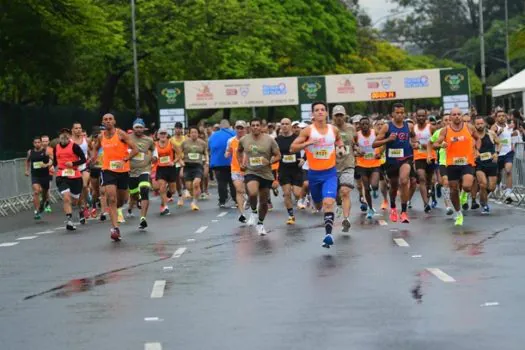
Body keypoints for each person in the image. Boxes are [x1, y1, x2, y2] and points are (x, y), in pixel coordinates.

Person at [291, 101, 345, 248]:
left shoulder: (333, 130)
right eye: (317, 110)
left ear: (327, 113)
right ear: (313, 114)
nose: (320, 112)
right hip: (314, 174)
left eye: (322, 110)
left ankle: (328, 235)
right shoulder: (308, 131)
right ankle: (319, 207)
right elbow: (292, 147)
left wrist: (340, 148)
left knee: (329, 203)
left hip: (330, 173)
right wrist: (306, 144)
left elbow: (339, 140)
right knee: (319, 204)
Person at [92, 113, 138, 241]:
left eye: (110, 119)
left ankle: (118, 209)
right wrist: (94, 157)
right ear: (102, 122)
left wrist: (126, 158)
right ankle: (115, 228)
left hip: (123, 170)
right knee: (111, 198)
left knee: (122, 199)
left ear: (114, 121)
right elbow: (95, 147)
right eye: (105, 119)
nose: (108, 121)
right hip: (108, 170)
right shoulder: (101, 136)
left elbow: (135, 149)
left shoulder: (121, 134)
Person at [433, 107, 479, 226]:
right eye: (454, 114)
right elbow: (435, 144)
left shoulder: (469, 127)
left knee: (467, 186)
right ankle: (459, 214)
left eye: (459, 114)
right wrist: (440, 144)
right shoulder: (445, 130)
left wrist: (477, 150)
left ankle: (464, 195)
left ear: (462, 116)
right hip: (452, 163)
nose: (457, 116)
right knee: (453, 190)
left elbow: (478, 138)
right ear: (450, 117)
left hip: (467, 162)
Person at [373, 103, 417, 224]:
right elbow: (374, 144)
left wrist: (415, 143)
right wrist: (388, 140)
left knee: (404, 181)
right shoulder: (387, 127)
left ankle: (403, 212)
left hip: (406, 158)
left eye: (402, 113)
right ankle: (393, 207)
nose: (400, 115)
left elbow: (414, 137)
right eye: (397, 113)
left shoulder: (408, 126)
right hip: (392, 161)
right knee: (393, 187)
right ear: (392, 114)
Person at [237, 118, 281, 235]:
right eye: (253, 125)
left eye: (257, 125)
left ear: (261, 127)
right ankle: (253, 211)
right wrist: (241, 162)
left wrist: (270, 161)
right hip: (251, 171)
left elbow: (278, 155)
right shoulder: (244, 139)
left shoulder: (269, 140)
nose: (255, 127)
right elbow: (239, 151)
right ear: (250, 127)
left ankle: (260, 224)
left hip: (266, 173)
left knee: (264, 202)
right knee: (252, 192)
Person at [54, 128, 87, 231]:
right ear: (59, 136)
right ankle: (69, 220)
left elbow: (83, 159)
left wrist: (73, 163)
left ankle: (81, 210)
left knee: (75, 201)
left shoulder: (74, 146)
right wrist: (51, 165)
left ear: (69, 136)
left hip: (75, 176)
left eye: (66, 134)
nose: (64, 135)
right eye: (62, 133)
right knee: (66, 197)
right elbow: (55, 161)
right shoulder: (56, 147)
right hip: (61, 175)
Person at [332, 105, 356, 231]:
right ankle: (339, 204)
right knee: (336, 194)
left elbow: (355, 142)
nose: (339, 118)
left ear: (345, 115)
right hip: (332, 166)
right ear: (333, 117)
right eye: (337, 115)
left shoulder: (351, 128)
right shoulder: (329, 129)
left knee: (345, 191)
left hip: (348, 164)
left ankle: (346, 219)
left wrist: (357, 149)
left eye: (341, 115)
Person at [275, 118, 303, 225]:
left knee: (296, 193)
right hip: (284, 169)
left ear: (291, 125)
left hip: (296, 169)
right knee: (286, 194)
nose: (285, 126)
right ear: (280, 126)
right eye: (282, 124)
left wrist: (303, 159)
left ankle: (302, 199)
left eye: (287, 124)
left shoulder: (297, 138)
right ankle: (291, 215)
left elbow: (306, 149)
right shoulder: (277, 140)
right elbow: (273, 152)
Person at [129, 118, 156, 229]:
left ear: (144, 128)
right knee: (134, 194)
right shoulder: (127, 138)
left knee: (144, 189)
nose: (139, 129)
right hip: (131, 171)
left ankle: (143, 219)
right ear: (133, 128)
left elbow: (155, 149)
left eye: (141, 127)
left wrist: (155, 156)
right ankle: (138, 199)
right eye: (137, 127)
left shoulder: (149, 140)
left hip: (145, 168)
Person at [355, 116, 383, 220]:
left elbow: (383, 142)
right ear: (360, 126)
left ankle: (375, 189)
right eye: (362, 124)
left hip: (375, 163)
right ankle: (370, 208)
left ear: (370, 125)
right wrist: (358, 151)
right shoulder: (356, 135)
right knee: (366, 188)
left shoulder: (374, 133)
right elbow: (353, 145)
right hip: (362, 164)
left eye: (367, 124)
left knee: (374, 185)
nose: (365, 126)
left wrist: (380, 152)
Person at [428, 114, 454, 215]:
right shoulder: (439, 133)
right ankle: (448, 206)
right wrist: (429, 155)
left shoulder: (458, 131)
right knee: (446, 182)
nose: (448, 122)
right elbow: (430, 143)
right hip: (443, 161)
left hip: (456, 162)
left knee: (455, 185)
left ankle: (439, 186)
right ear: (443, 122)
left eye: (449, 120)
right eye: (445, 120)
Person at [413, 108, 438, 212]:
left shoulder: (431, 128)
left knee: (429, 179)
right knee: (421, 178)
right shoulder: (413, 129)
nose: (421, 118)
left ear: (426, 116)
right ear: (416, 117)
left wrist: (426, 145)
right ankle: (426, 204)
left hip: (430, 156)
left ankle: (429, 190)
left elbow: (437, 144)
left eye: (423, 116)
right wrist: (413, 145)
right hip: (418, 157)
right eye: (419, 116)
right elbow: (411, 141)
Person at [474, 116, 500, 214]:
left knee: (492, 187)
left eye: (481, 123)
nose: (480, 126)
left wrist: (496, 153)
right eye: (478, 124)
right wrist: (474, 152)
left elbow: (499, 143)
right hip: (479, 163)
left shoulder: (491, 133)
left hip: (491, 163)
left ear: (484, 124)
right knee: (483, 184)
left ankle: (482, 196)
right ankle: (485, 205)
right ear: (474, 125)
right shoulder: (473, 136)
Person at [208, 119, 236, 208]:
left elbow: (210, 148)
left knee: (221, 182)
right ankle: (236, 200)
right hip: (231, 162)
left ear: (220, 127)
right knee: (232, 182)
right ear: (229, 126)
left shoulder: (213, 136)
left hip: (218, 163)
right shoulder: (234, 134)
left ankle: (222, 201)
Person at [491, 111, 517, 203]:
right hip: (497, 153)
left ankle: (508, 192)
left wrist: (513, 137)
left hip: (508, 153)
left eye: (503, 116)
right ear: (496, 118)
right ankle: (498, 186)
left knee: (508, 170)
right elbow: (491, 138)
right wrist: (498, 133)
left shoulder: (508, 126)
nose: (501, 117)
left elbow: (511, 136)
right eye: (499, 116)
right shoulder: (494, 127)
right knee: (498, 173)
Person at [181, 127, 208, 211]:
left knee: (196, 183)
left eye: (195, 132)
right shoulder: (184, 143)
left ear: (198, 134)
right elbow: (179, 154)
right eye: (192, 132)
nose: (194, 134)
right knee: (189, 186)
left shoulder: (202, 143)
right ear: (189, 134)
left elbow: (206, 153)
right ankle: (194, 194)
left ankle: (194, 202)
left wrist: (207, 162)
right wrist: (180, 162)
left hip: (198, 165)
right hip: (187, 165)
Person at [225, 120, 248, 223]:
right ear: (235, 129)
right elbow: (228, 150)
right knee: (239, 190)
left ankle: (249, 201)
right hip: (236, 169)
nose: (239, 130)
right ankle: (242, 214)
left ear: (245, 129)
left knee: (251, 191)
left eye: (241, 128)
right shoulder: (231, 140)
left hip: (249, 169)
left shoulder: (250, 140)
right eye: (237, 128)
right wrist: (227, 154)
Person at [25, 136, 52, 219]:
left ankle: (44, 203)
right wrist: (26, 170)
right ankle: (37, 211)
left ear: (41, 143)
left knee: (44, 194)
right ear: (33, 144)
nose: (37, 144)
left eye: (38, 142)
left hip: (45, 175)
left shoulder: (46, 151)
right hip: (35, 175)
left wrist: (46, 165)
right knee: (36, 192)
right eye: (35, 142)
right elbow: (27, 161)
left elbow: (52, 160)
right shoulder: (30, 152)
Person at [155, 128, 179, 215]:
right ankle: (164, 207)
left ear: (167, 135)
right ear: (158, 135)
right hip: (160, 168)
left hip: (170, 168)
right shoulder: (155, 145)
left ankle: (167, 196)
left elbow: (179, 154)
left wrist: (174, 162)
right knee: (162, 187)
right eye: (161, 133)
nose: (163, 135)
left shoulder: (171, 143)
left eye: (164, 133)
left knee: (173, 191)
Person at [71, 122, 91, 224]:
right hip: (74, 169)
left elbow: (92, 151)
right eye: (76, 128)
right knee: (77, 192)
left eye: (80, 128)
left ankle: (86, 204)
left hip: (84, 167)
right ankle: (81, 209)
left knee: (84, 185)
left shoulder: (86, 140)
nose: (78, 130)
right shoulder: (69, 141)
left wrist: (91, 159)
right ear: (72, 130)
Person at [169, 122, 187, 206]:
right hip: (176, 161)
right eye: (177, 128)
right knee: (177, 179)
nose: (178, 130)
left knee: (182, 175)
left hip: (184, 160)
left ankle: (186, 188)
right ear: (174, 129)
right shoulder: (171, 140)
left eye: (180, 128)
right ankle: (180, 195)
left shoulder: (185, 138)